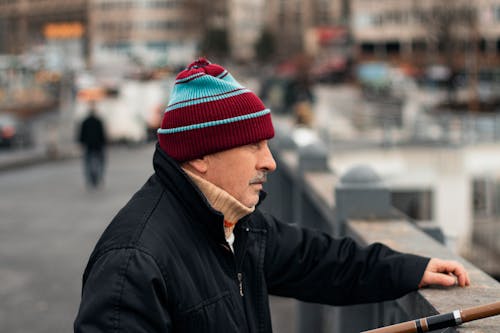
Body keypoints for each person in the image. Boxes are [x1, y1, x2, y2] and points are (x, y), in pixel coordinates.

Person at [74, 58, 470, 332]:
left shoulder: (235, 225)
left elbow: (321, 261)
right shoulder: (132, 264)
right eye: (253, 146)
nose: (270, 162)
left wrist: (408, 269)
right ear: (200, 157)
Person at [78, 105, 107, 188]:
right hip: (98, 146)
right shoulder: (98, 121)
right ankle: (100, 177)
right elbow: (102, 134)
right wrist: (104, 143)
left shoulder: (85, 122)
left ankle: (88, 179)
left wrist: (82, 143)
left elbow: (81, 134)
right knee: (101, 162)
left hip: (89, 146)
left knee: (87, 163)